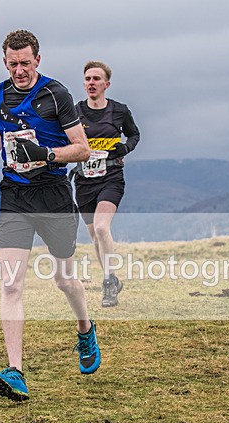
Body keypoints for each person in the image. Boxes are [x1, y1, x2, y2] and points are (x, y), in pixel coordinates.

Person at [0, 29, 101, 400]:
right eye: (12, 64)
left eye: (25, 63)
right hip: (14, 195)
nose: (19, 70)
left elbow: (82, 149)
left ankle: (85, 329)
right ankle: (15, 372)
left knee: (65, 280)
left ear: (37, 59)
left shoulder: (56, 94)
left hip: (53, 195)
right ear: (5, 62)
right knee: (10, 284)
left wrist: (46, 155)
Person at [69, 61, 140, 307]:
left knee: (101, 228)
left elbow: (134, 134)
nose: (92, 83)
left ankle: (108, 283)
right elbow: (63, 138)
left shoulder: (119, 110)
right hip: (84, 180)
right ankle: (112, 278)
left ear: (106, 84)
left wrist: (125, 148)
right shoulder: (74, 112)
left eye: (96, 79)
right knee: (94, 237)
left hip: (111, 177)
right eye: (88, 79)